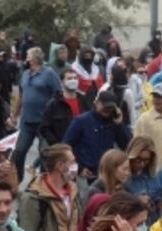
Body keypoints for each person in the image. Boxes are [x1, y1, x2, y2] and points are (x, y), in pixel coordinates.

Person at [18, 144, 82, 231]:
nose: (76, 166)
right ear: (60, 166)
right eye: (72, 162)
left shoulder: (73, 191)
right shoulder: (33, 198)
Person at [12, 47, 62, 177]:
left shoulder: (49, 74)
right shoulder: (25, 74)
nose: (26, 58)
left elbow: (58, 94)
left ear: (34, 58)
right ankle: (17, 179)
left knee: (46, 153)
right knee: (19, 151)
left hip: (44, 122)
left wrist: (55, 115)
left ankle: (43, 181)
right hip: (26, 121)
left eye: (28, 56)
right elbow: (21, 96)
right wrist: (14, 115)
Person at [63, 91, 132, 182]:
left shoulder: (114, 123)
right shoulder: (81, 121)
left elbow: (128, 145)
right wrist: (78, 168)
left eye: (110, 108)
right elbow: (65, 146)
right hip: (85, 173)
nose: (107, 110)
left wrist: (119, 124)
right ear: (97, 103)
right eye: (105, 106)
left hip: (105, 172)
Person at [134, 84, 162, 175]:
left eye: (160, 97)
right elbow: (136, 145)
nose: (156, 100)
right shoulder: (144, 119)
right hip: (152, 171)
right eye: (154, 96)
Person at [40, 68, 87, 146]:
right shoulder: (54, 104)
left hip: (81, 146)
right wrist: (56, 144)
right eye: (69, 78)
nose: (73, 81)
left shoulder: (84, 101)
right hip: (62, 147)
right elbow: (45, 128)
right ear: (62, 82)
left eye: (75, 78)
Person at [124, 136, 162, 210]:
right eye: (138, 159)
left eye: (146, 160)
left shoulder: (159, 174)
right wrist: (136, 201)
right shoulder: (123, 178)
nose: (142, 164)